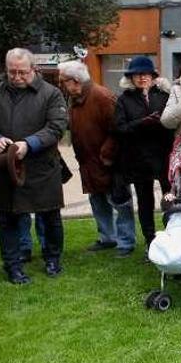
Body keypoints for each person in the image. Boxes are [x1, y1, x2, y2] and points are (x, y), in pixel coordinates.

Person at [0, 48, 68, 284]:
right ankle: (13, 265)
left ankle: (53, 258)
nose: (16, 77)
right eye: (12, 72)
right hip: (6, 167)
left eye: (22, 72)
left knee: (50, 217)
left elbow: (57, 126)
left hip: (42, 167)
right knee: (8, 219)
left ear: (33, 69)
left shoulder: (51, 93)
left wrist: (29, 144)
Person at [58, 61, 137, 257]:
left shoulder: (101, 96)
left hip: (108, 162)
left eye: (63, 81)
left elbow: (118, 129)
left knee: (119, 200)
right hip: (90, 162)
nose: (61, 85)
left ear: (75, 81)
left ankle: (126, 242)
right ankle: (107, 237)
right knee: (98, 200)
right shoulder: (76, 99)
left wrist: (106, 155)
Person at [114, 56, 174, 253]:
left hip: (163, 155)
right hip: (138, 159)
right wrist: (142, 122)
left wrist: (160, 123)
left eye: (145, 74)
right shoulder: (124, 99)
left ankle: (174, 235)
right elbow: (119, 129)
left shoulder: (164, 95)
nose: (142, 78)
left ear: (153, 76)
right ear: (131, 78)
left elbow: (173, 122)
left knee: (170, 198)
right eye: (137, 75)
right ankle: (151, 242)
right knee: (145, 203)